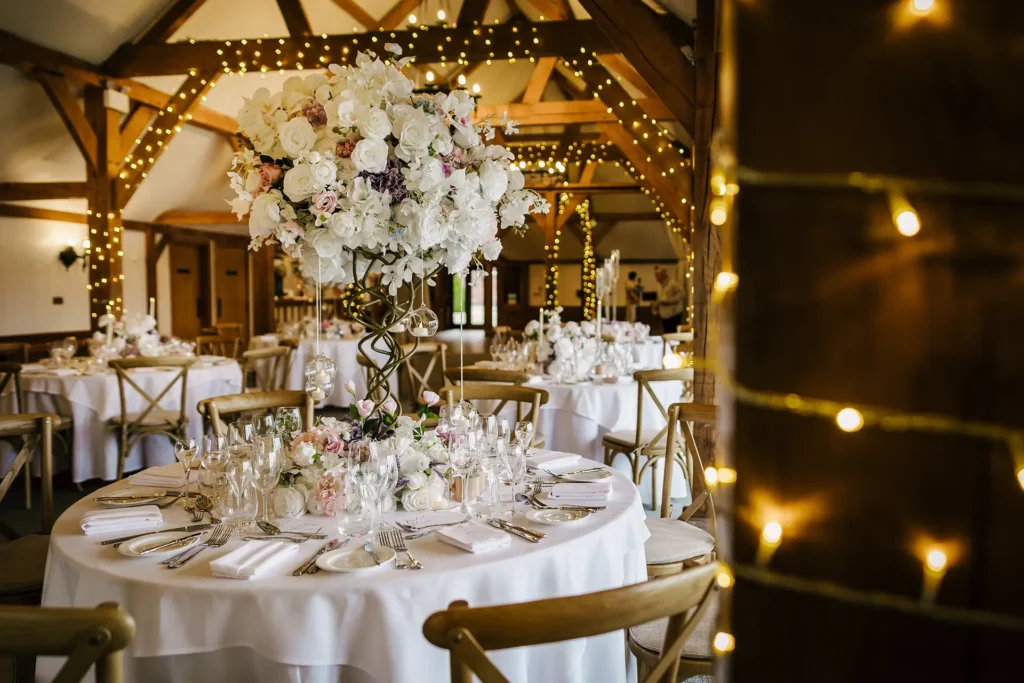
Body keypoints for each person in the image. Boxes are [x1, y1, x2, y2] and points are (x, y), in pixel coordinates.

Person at [653, 266, 685, 333]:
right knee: (667, 334)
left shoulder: (673, 284)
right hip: (664, 314)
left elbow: (682, 294)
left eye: (658, 276)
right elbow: (660, 298)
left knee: (673, 335)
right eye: (655, 276)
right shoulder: (660, 286)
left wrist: (669, 301)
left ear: (663, 275)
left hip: (674, 314)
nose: (656, 278)